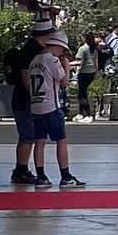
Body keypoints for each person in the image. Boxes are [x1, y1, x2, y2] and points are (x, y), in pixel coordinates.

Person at [25, 26, 81, 188]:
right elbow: (64, 81)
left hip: (36, 106)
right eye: (62, 49)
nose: (62, 53)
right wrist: (67, 66)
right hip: (51, 106)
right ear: (57, 46)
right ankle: (66, 176)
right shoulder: (52, 60)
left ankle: (41, 176)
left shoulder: (35, 60)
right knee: (61, 140)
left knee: (39, 142)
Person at [6, 14, 54, 185]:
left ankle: (22, 169)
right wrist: (36, 98)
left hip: (22, 98)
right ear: (47, 35)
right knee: (28, 135)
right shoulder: (32, 52)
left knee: (27, 135)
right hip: (26, 100)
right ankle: (20, 170)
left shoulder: (30, 48)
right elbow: (27, 79)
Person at [74, 32, 100, 123]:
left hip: (83, 73)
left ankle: (88, 114)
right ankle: (81, 113)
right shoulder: (94, 50)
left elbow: (79, 62)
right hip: (91, 73)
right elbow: (96, 64)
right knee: (84, 93)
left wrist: (68, 64)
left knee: (82, 95)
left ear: (85, 38)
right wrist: (95, 74)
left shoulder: (82, 49)